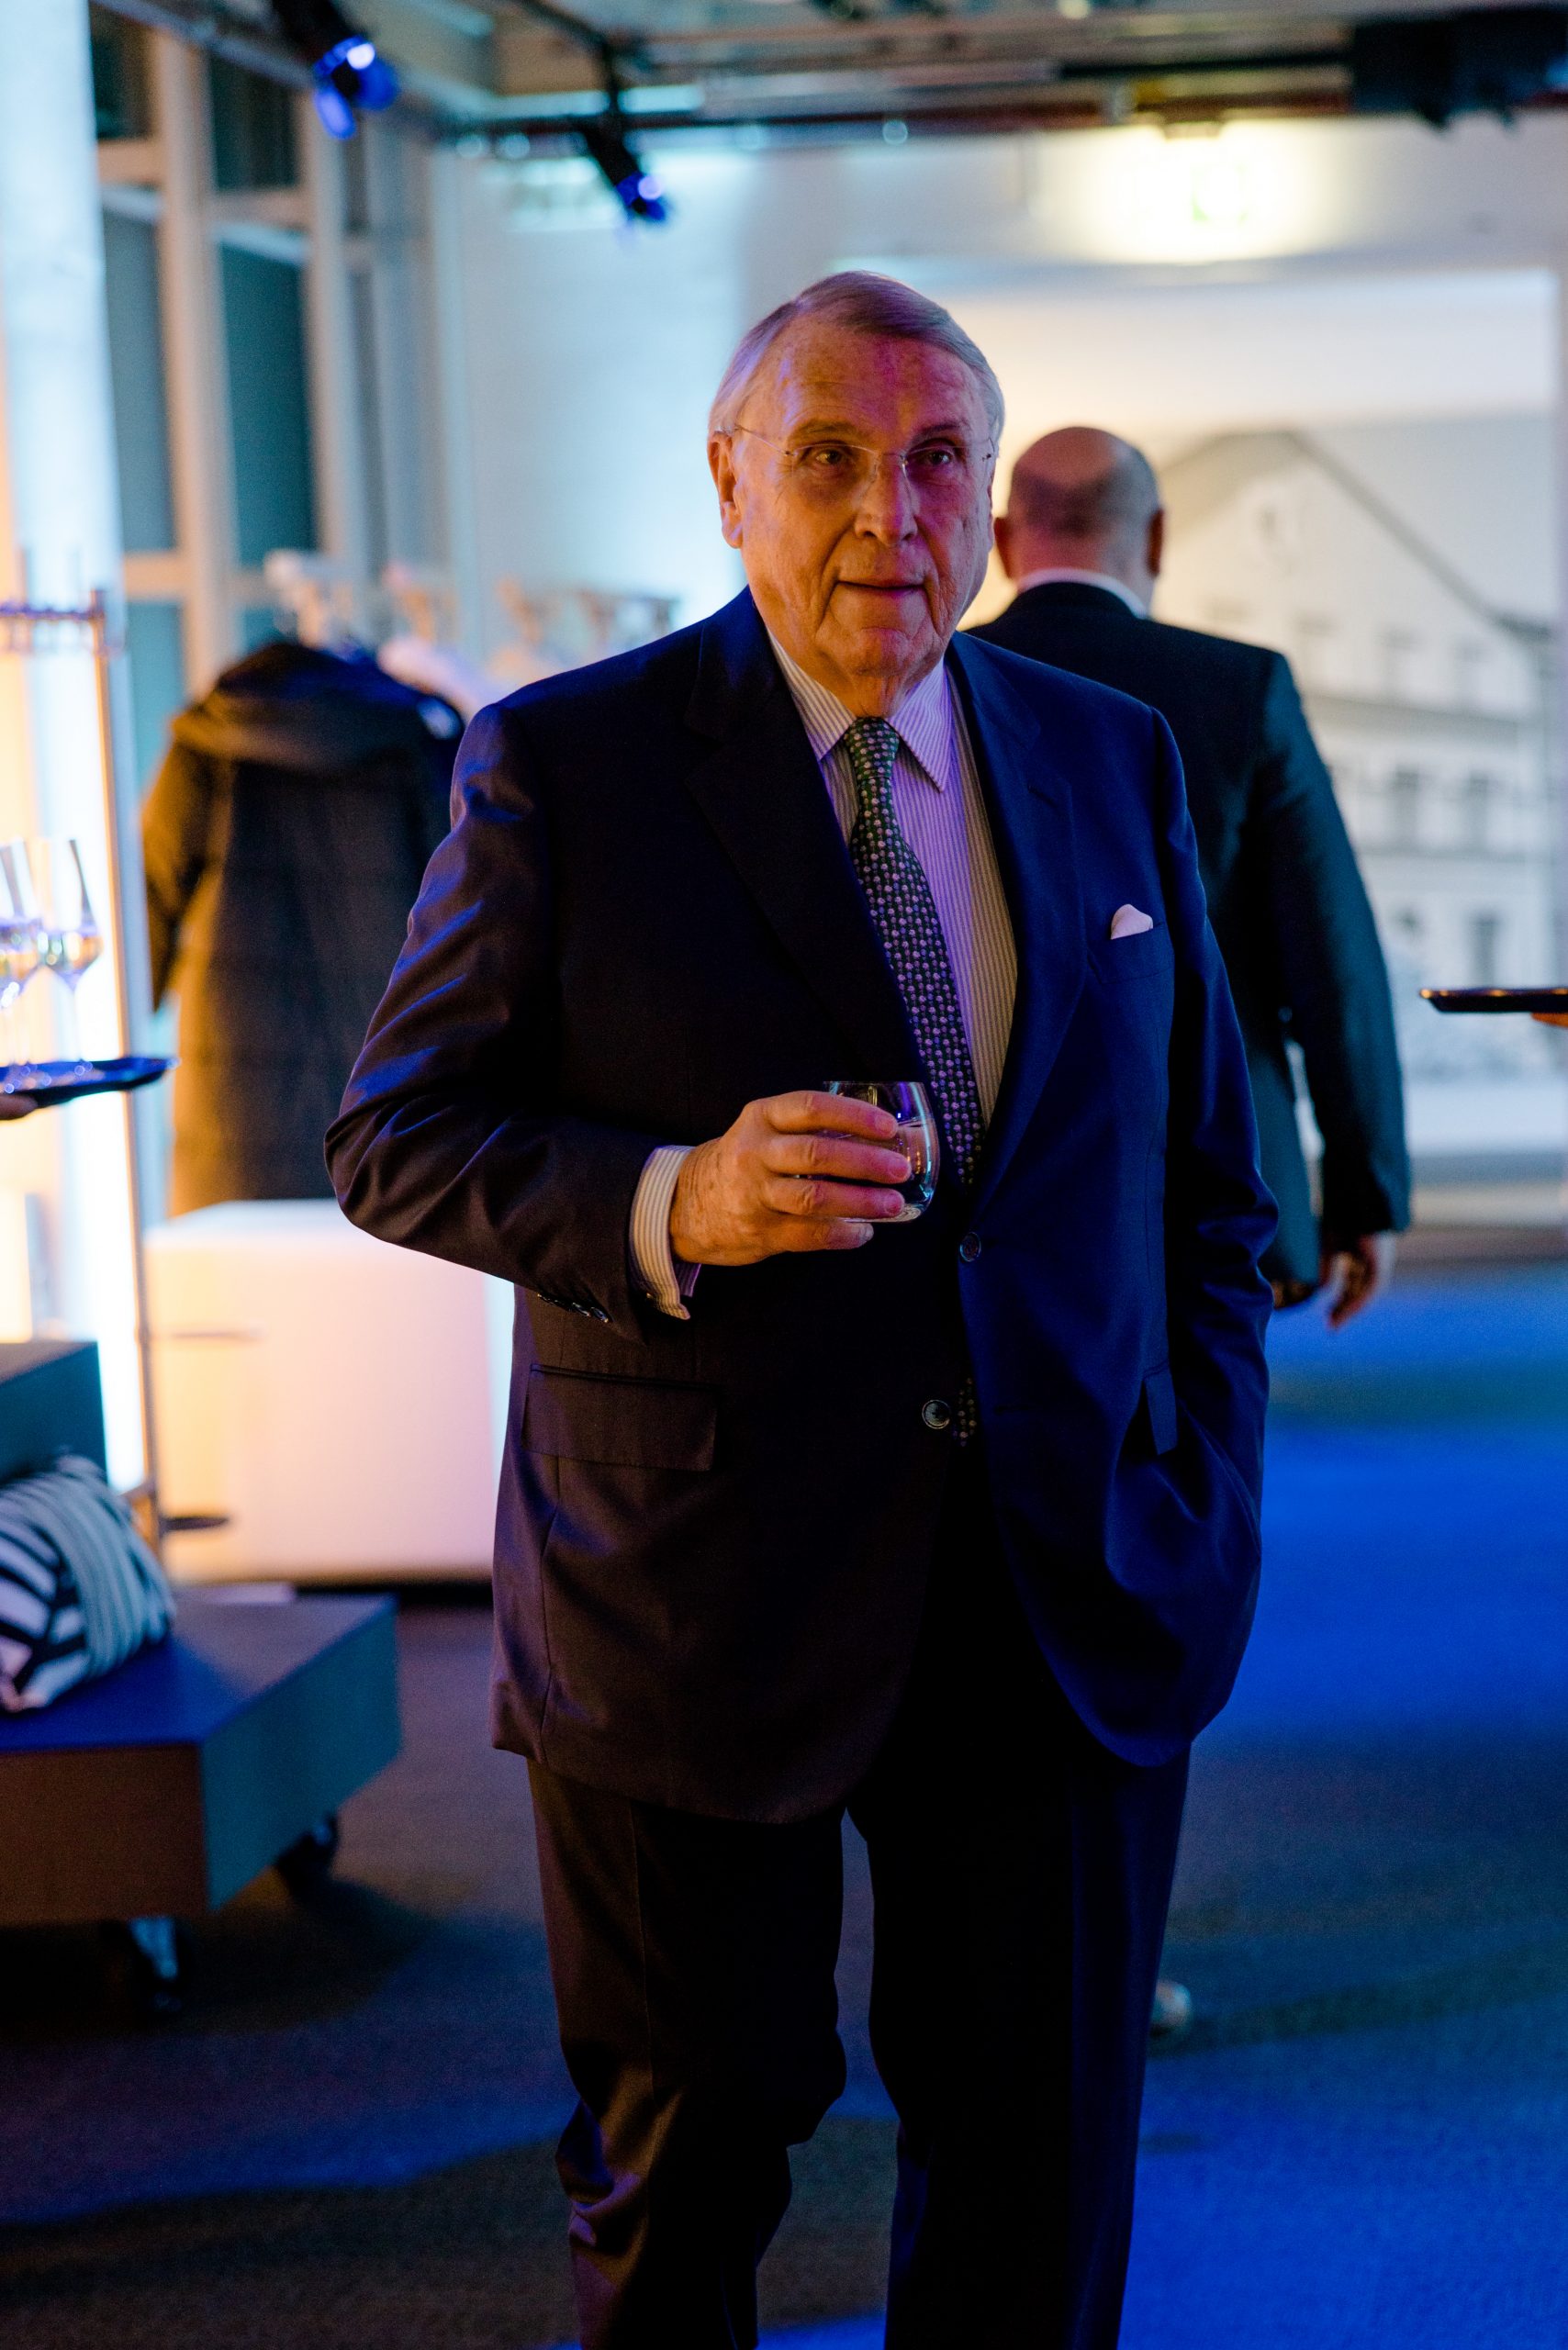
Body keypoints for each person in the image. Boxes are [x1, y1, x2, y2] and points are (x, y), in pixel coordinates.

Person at [327, 274, 1274, 2350]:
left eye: (934, 460)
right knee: (688, 2172)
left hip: (1061, 1585)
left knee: (1037, 2178)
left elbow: (1209, 1180)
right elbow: (395, 1133)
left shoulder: (1105, 752)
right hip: (692, 1597)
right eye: (828, 457)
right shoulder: (564, 764)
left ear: (990, 502)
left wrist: (1198, 1487)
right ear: (730, 482)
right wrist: (674, 1194)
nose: (885, 513)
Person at [974, 428, 1409, 1326]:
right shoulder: (1241, 687)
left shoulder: (944, 683)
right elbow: (1331, 957)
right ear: (1157, 536)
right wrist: (1366, 1189)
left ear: (1004, 538)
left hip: (994, 1177)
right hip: (1214, 1165)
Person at [142, 640, 457, 1213]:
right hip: (381, 1094)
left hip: (236, 1106)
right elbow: (459, 918)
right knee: (379, 1264)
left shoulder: (208, 742)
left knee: (239, 1267)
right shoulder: (411, 741)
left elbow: (147, 917)